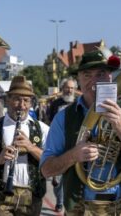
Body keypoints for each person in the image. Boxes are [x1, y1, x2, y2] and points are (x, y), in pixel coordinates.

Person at [40, 50, 121, 215]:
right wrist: (74, 155)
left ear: (110, 77)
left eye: (101, 74)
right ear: (78, 80)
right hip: (80, 207)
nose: (94, 82)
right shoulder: (63, 118)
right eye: (87, 75)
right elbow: (46, 170)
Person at [0, 75, 49, 216]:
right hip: (0, 196)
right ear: (7, 100)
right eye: (17, 99)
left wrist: (31, 147)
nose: (22, 105)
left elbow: (52, 162)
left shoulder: (43, 129)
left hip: (31, 197)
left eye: (26, 100)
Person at [48, 77, 78, 214]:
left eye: (72, 88)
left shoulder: (79, 103)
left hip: (75, 145)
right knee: (57, 180)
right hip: (59, 146)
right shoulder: (55, 104)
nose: (69, 90)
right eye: (67, 87)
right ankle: (59, 201)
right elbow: (49, 123)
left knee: (73, 179)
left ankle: (69, 206)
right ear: (62, 88)